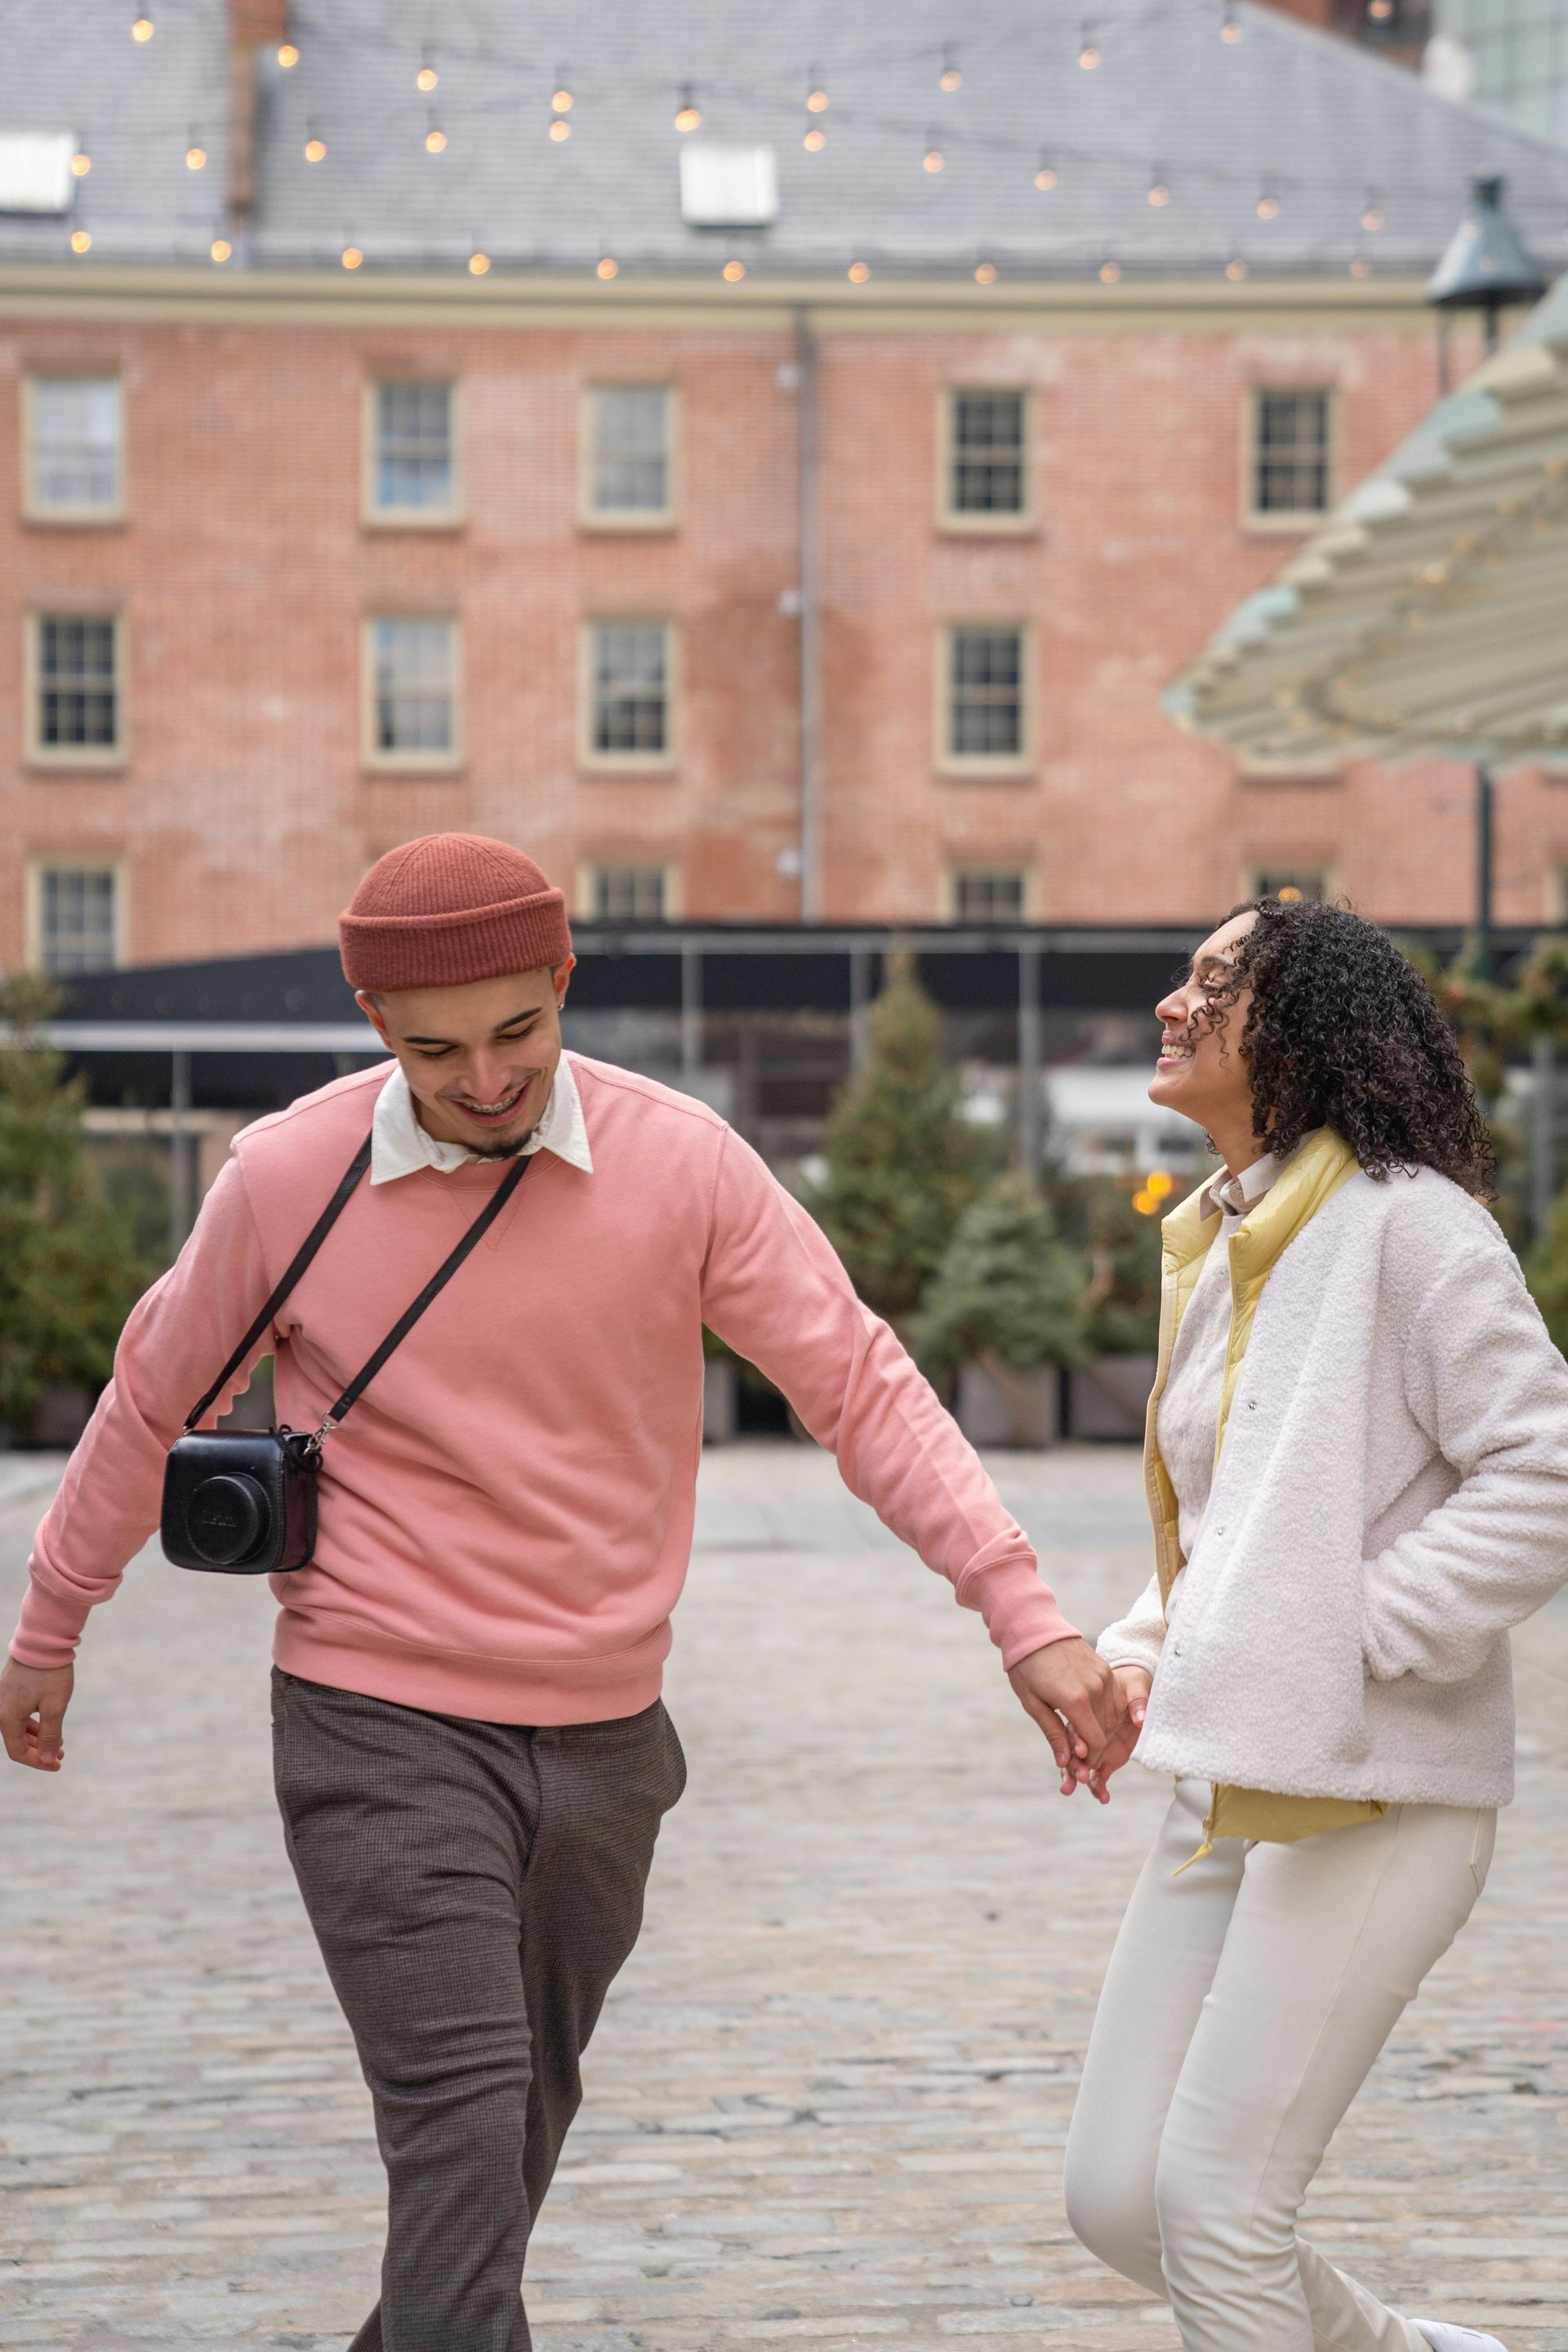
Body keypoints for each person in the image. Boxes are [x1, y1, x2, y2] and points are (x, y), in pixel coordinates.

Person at [0, 832, 1125, 2352]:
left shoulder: (684, 1164)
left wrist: (1026, 1614)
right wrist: (52, 1618)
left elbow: (858, 1385)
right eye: (432, 1049)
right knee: (460, 2128)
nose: (481, 1080)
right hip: (374, 1720)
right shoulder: (284, 1178)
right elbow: (149, 1399)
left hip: (607, 1745)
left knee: (512, 2130)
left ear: (565, 984)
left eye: (517, 1032)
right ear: (373, 1028)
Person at [1062, 895, 1568, 2352]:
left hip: (1379, 1795)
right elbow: (1238, 1534)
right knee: (1118, 2200)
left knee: (1219, 2216)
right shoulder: (1229, 1239)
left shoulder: (1413, 1228)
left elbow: (1543, 1473)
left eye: (1216, 983)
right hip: (1234, 1777)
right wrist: (1143, 1652)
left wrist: (1348, 1632)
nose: (1174, 1002)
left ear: (1307, 1027)